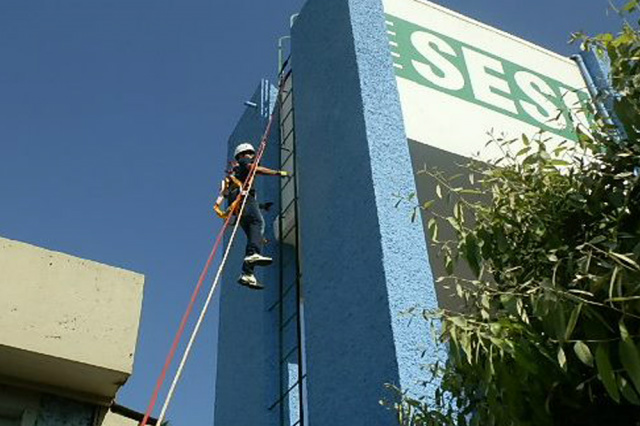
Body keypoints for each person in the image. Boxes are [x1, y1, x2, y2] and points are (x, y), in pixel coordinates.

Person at [213, 142, 290, 290]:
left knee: (255, 236)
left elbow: (245, 204)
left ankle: (247, 274)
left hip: (239, 209)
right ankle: (253, 255)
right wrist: (278, 173)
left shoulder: (236, 173)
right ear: (242, 155)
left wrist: (261, 206)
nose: (251, 157)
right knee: (258, 223)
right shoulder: (243, 161)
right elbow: (254, 169)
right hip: (244, 200)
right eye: (249, 154)